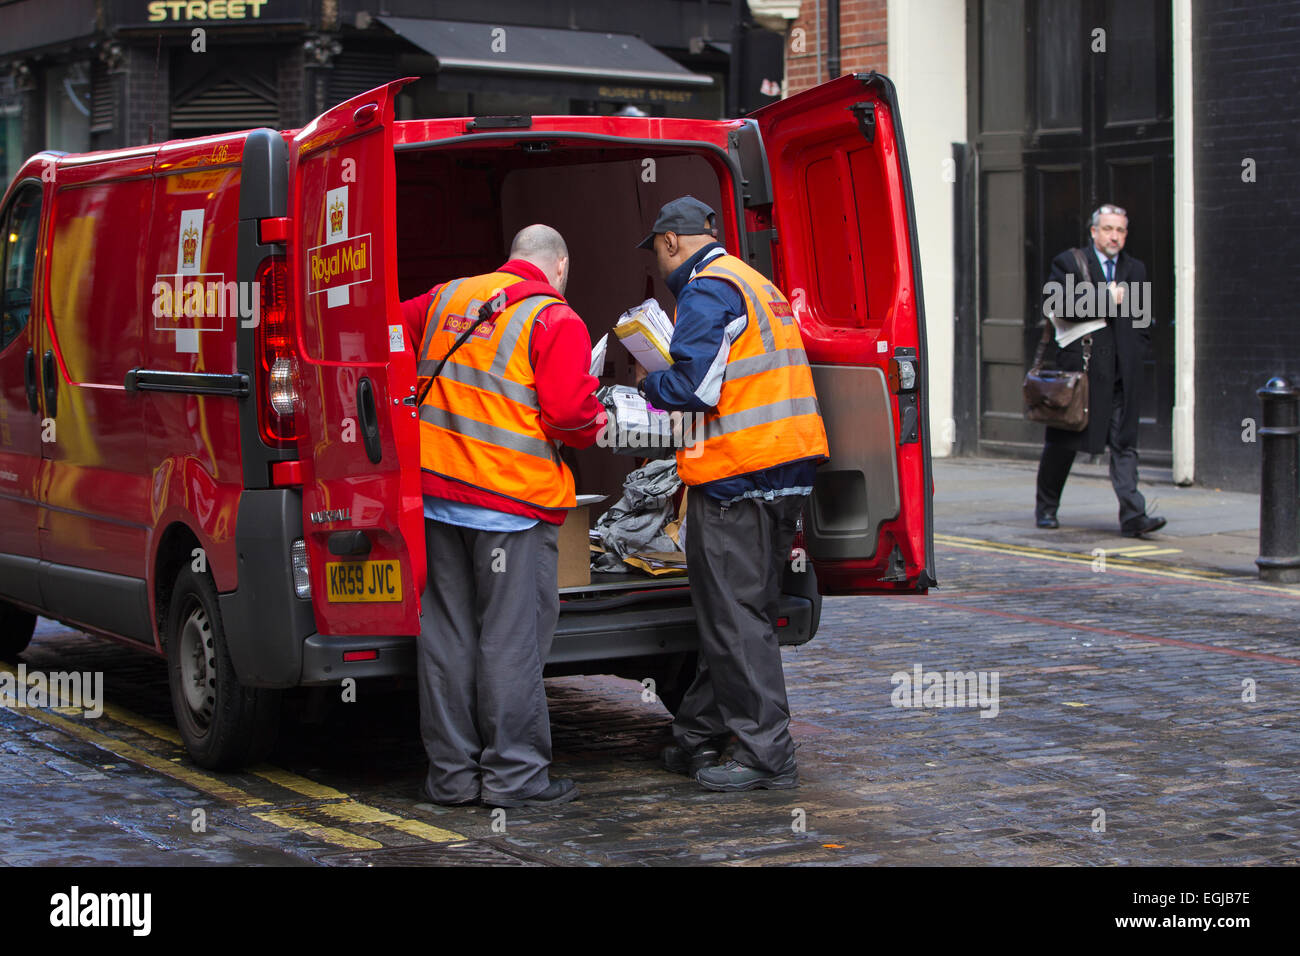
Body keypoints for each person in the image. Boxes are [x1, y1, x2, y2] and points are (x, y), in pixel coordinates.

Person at [402, 224, 604, 808]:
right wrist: (595, 422)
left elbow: (384, 327)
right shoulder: (555, 319)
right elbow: (569, 415)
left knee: (446, 636)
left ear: (511, 259)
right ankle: (515, 778)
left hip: (439, 500)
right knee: (510, 643)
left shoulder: (445, 297)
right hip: (509, 508)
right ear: (559, 266)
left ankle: (451, 777)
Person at [635, 196, 829, 792]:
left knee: (735, 619)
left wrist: (645, 382)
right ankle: (700, 731)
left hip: (738, 478)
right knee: (736, 612)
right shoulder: (752, 281)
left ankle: (765, 752)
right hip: (782, 468)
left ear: (670, 241)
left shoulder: (706, 289)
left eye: (659, 249)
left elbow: (695, 386)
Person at [1034, 203, 1166, 538]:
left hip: (1122, 376)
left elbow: (1141, 322)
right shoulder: (1070, 262)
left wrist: (1138, 354)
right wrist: (1107, 297)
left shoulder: (1135, 269)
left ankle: (1134, 515)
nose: (1114, 236)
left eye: (1120, 230)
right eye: (1108, 229)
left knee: (1124, 444)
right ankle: (1046, 507)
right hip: (1085, 375)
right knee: (1064, 442)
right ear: (1094, 232)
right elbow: (1055, 305)